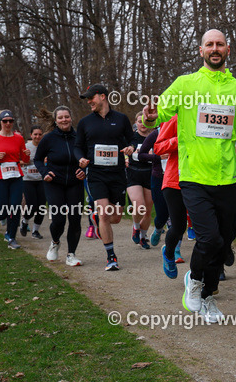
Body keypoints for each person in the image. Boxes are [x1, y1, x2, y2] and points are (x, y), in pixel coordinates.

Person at [142, 29, 236, 323]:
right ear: (201, 50)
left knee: (221, 243)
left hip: (227, 177)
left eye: (219, 44)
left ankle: (208, 296)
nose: (215, 48)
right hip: (193, 175)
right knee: (208, 237)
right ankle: (194, 282)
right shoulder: (185, 84)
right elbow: (160, 113)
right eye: (209, 44)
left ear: (228, 49)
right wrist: (148, 116)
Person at [75, 84, 135, 271]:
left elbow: (131, 139)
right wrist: (81, 159)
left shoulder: (121, 119)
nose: (89, 102)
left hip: (117, 174)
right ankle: (111, 257)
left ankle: (96, 216)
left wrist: (131, 147)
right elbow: (78, 146)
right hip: (96, 174)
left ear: (102, 97)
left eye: (91, 98)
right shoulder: (85, 122)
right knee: (104, 214)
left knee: (116, 217)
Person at [35, 106, 85, 266]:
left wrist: (84, 170)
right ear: (56, 121)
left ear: (71, 118)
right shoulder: (48, 138)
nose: (64, 120)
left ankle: (71, 255)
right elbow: (37, 159)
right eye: (61, 117)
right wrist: (45, 173)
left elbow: (87, 158)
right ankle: (55, 242)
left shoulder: (79, 137)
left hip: (75, 183)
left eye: (67, 117)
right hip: (54, 183)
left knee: (75, 220)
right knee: (58, 219)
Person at [0, 110, 30, 249]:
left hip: (15, 174)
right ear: (0, 122)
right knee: (2, 209)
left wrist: (26, 155)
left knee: (15, 207)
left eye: (10, 121)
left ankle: (11, 237)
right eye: (5, 121)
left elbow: (24, 159)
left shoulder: (18, 138)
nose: (8, 123)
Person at [152, 116, 187, 278]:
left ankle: (205, 274)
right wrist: (180, 139)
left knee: (205, 228)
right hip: (175, 181)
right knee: (179, 226)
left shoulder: (208, 116)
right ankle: (169, 252)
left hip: (203, 180)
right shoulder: (176, 119)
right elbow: (158, 148)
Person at [126, 115, 155, 249]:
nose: (143, 124)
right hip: (133, 173)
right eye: (139, 121)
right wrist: (124, 157)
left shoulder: (156, 136)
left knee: (148, 211)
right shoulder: (131, 137)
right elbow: (122, 150)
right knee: (139, 205)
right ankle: (136, 228)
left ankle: (143, 237)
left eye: (146, 121)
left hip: (150, 173)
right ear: (135, 123)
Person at [20, 125, 46, 239]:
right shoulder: (26, 147)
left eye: (40, 134)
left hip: (42, 180)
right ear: (31, 135)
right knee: (31, 205)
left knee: (41, 207)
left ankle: (35, 231)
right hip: (28, 179)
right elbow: (18, 161)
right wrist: (26, 162)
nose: (38, 136)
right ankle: (24, 221)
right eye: (35, 134)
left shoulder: (45, 147)